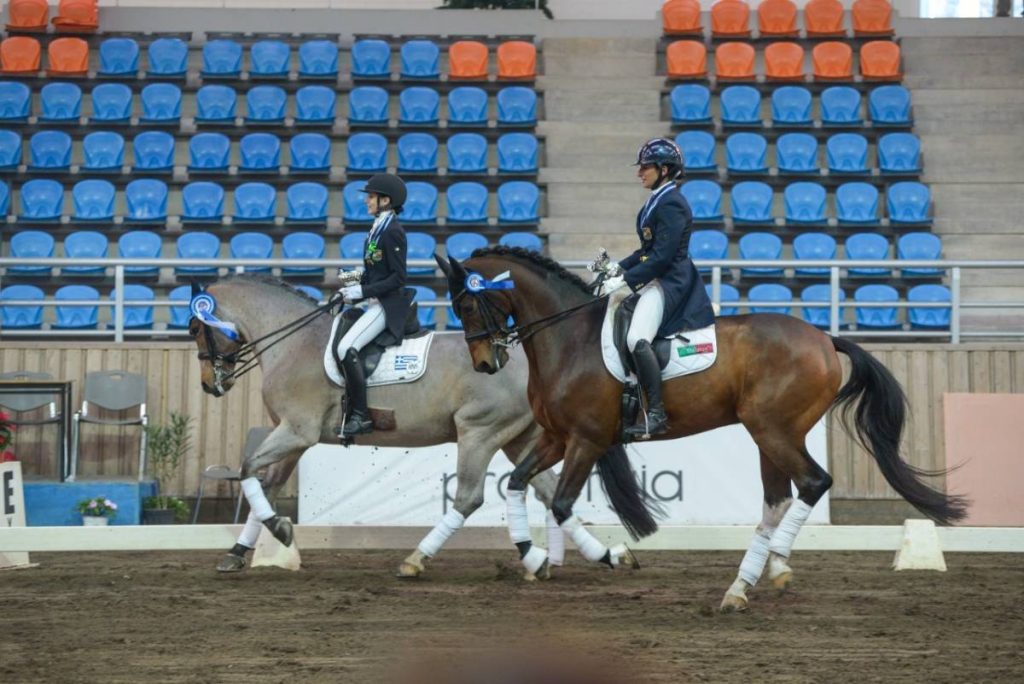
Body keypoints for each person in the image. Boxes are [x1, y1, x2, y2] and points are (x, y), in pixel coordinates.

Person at [602, 138, 716, 438]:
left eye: (645, 167)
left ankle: (656, 413)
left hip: (672, 282)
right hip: (657, 277)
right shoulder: (656, 200)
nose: (640, 172)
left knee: (637, 337)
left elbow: (663, 256)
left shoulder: (672, 203)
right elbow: (647, 251)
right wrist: (619, 267)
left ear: (665, 170)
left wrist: (625, 281)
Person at [333, 173, 413, 439]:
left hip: (386, 306)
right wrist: (348, 284)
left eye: (371, 197)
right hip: (373, 301)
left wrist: (362, 290)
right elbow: (373, 271)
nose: (367, 201)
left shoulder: (393, 232)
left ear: (385, 200)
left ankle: (360, 416)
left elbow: (398, 278)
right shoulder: (377, 229)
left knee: (346, 348)